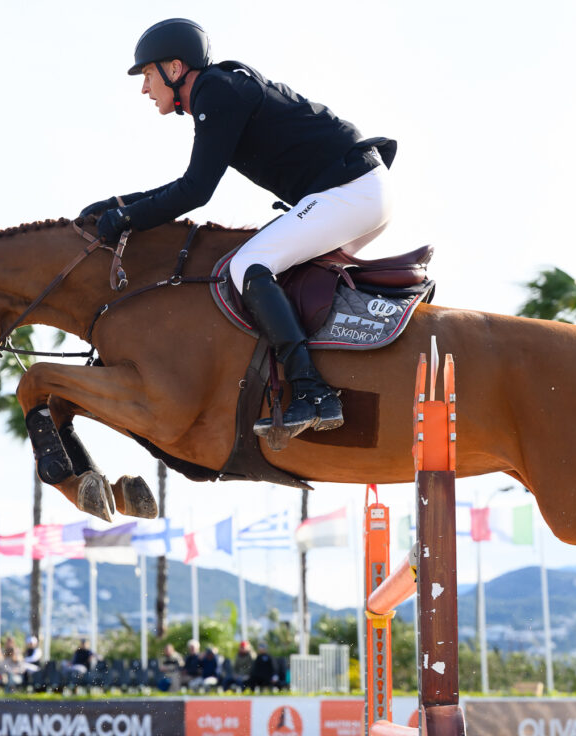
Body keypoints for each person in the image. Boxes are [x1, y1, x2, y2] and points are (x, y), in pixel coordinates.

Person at [80, 18, 395, 443]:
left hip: (351, 192)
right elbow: (190, 182)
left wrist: (129, 218)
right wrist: (121, 205)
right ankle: (325, 373)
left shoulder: (216, 91)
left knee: (247, 263)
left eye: (148, 75)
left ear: (175, 69)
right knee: (272, 270)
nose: (143, 88)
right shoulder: (220, 91)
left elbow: (195, 190)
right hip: (358, 192)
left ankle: (313, 390)